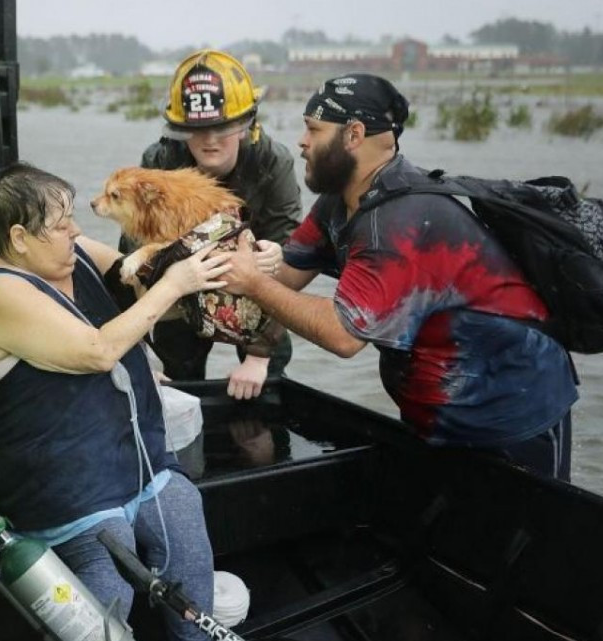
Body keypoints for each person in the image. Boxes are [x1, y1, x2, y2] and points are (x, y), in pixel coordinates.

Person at [220, 74, 578, 480]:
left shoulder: (397, 221)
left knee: (527, 521)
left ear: (354, 135)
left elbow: (343, 336)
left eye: (313, 129)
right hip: (438, 416)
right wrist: (242, 257)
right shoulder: (339, 200)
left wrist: (254, 283)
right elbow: (286, 274)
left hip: (515, 415)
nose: (301, 141)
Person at [0, 163, 225, 641]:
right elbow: (97, 351)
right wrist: (174, 284)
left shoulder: (73, 256)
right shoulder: (0, 293)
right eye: (61, 225)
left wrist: (238, 261)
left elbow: (148, 286)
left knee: (184, 515)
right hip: (61, 487)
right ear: (19, 238)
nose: (76, 231)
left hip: (131, 460)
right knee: (109, 564)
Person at [125, 49, 302, 399]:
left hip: (255, 285)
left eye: (222, 127)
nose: (209, 140)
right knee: (177, 372)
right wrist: (138, 352)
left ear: (246, 125)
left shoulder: (273, 163)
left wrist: (258, 357)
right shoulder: (159, 161)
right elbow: (132, 258)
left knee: (268, 373)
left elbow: (292, 265)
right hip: (180, 282)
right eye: (196, 129)